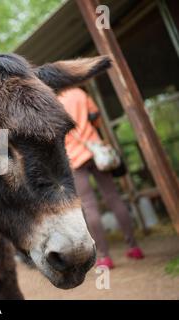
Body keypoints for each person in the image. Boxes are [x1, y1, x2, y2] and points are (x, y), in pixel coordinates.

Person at [58, 87, 144, 269]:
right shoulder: (80, 93)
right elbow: (96, 118)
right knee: (114, 198)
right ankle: (134, 247)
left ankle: (105, 257)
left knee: (89, 206)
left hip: (74, 158)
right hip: (98, 153)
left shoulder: (52, 103)